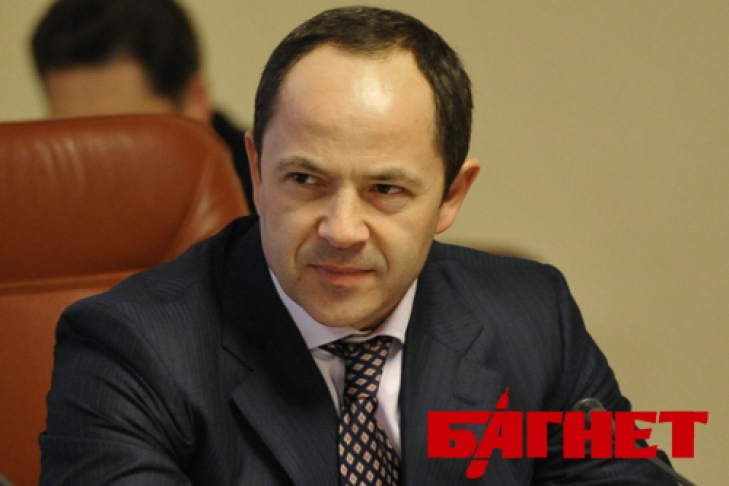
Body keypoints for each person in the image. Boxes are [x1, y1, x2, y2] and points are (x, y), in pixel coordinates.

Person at [40, 6, 675, 485]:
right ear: (256, 171)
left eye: (386, 190)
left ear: (451, 195)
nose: (341, 230)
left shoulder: (533, 317)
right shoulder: (130, 350)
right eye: (304, 180)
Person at [30, 0, 256, 213]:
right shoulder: (37, 205)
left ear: (194, 102)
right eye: (71, 139)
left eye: (120, 140)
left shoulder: (267, 205)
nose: (94, 168)